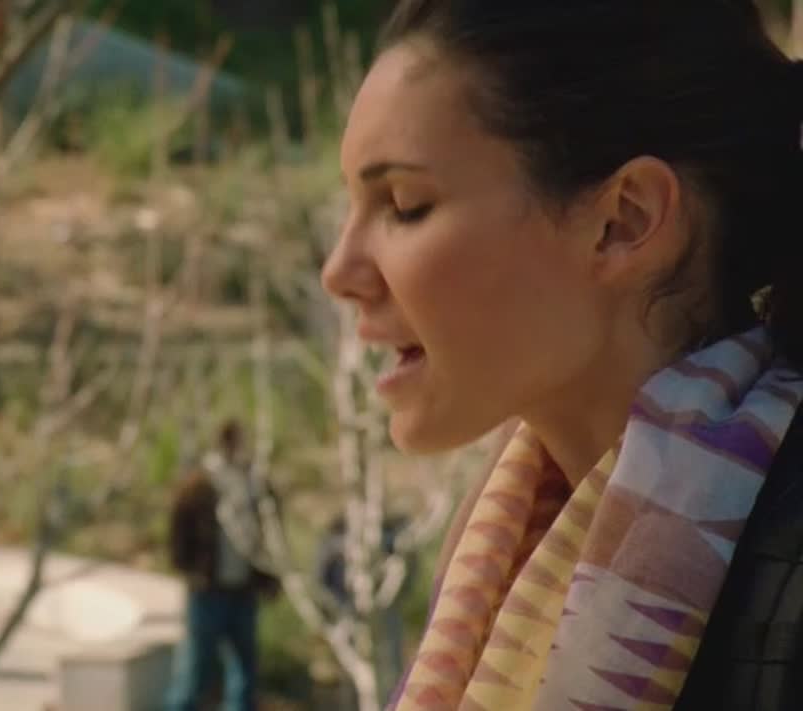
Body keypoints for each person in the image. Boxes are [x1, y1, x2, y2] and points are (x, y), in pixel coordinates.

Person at [322, 2, 803, 709]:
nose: (339, 273)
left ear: (624, 221)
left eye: (405, 204)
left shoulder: (783, 593)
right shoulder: (502, 551)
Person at [166, 420, 279, 711]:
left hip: (242, 592)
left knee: (244, 671)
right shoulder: (199, 485)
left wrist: (270, 578)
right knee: (196, 671)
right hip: (207, 592)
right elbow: (178, 534)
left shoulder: (253, 483)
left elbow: (271, 533)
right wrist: (191, 572)